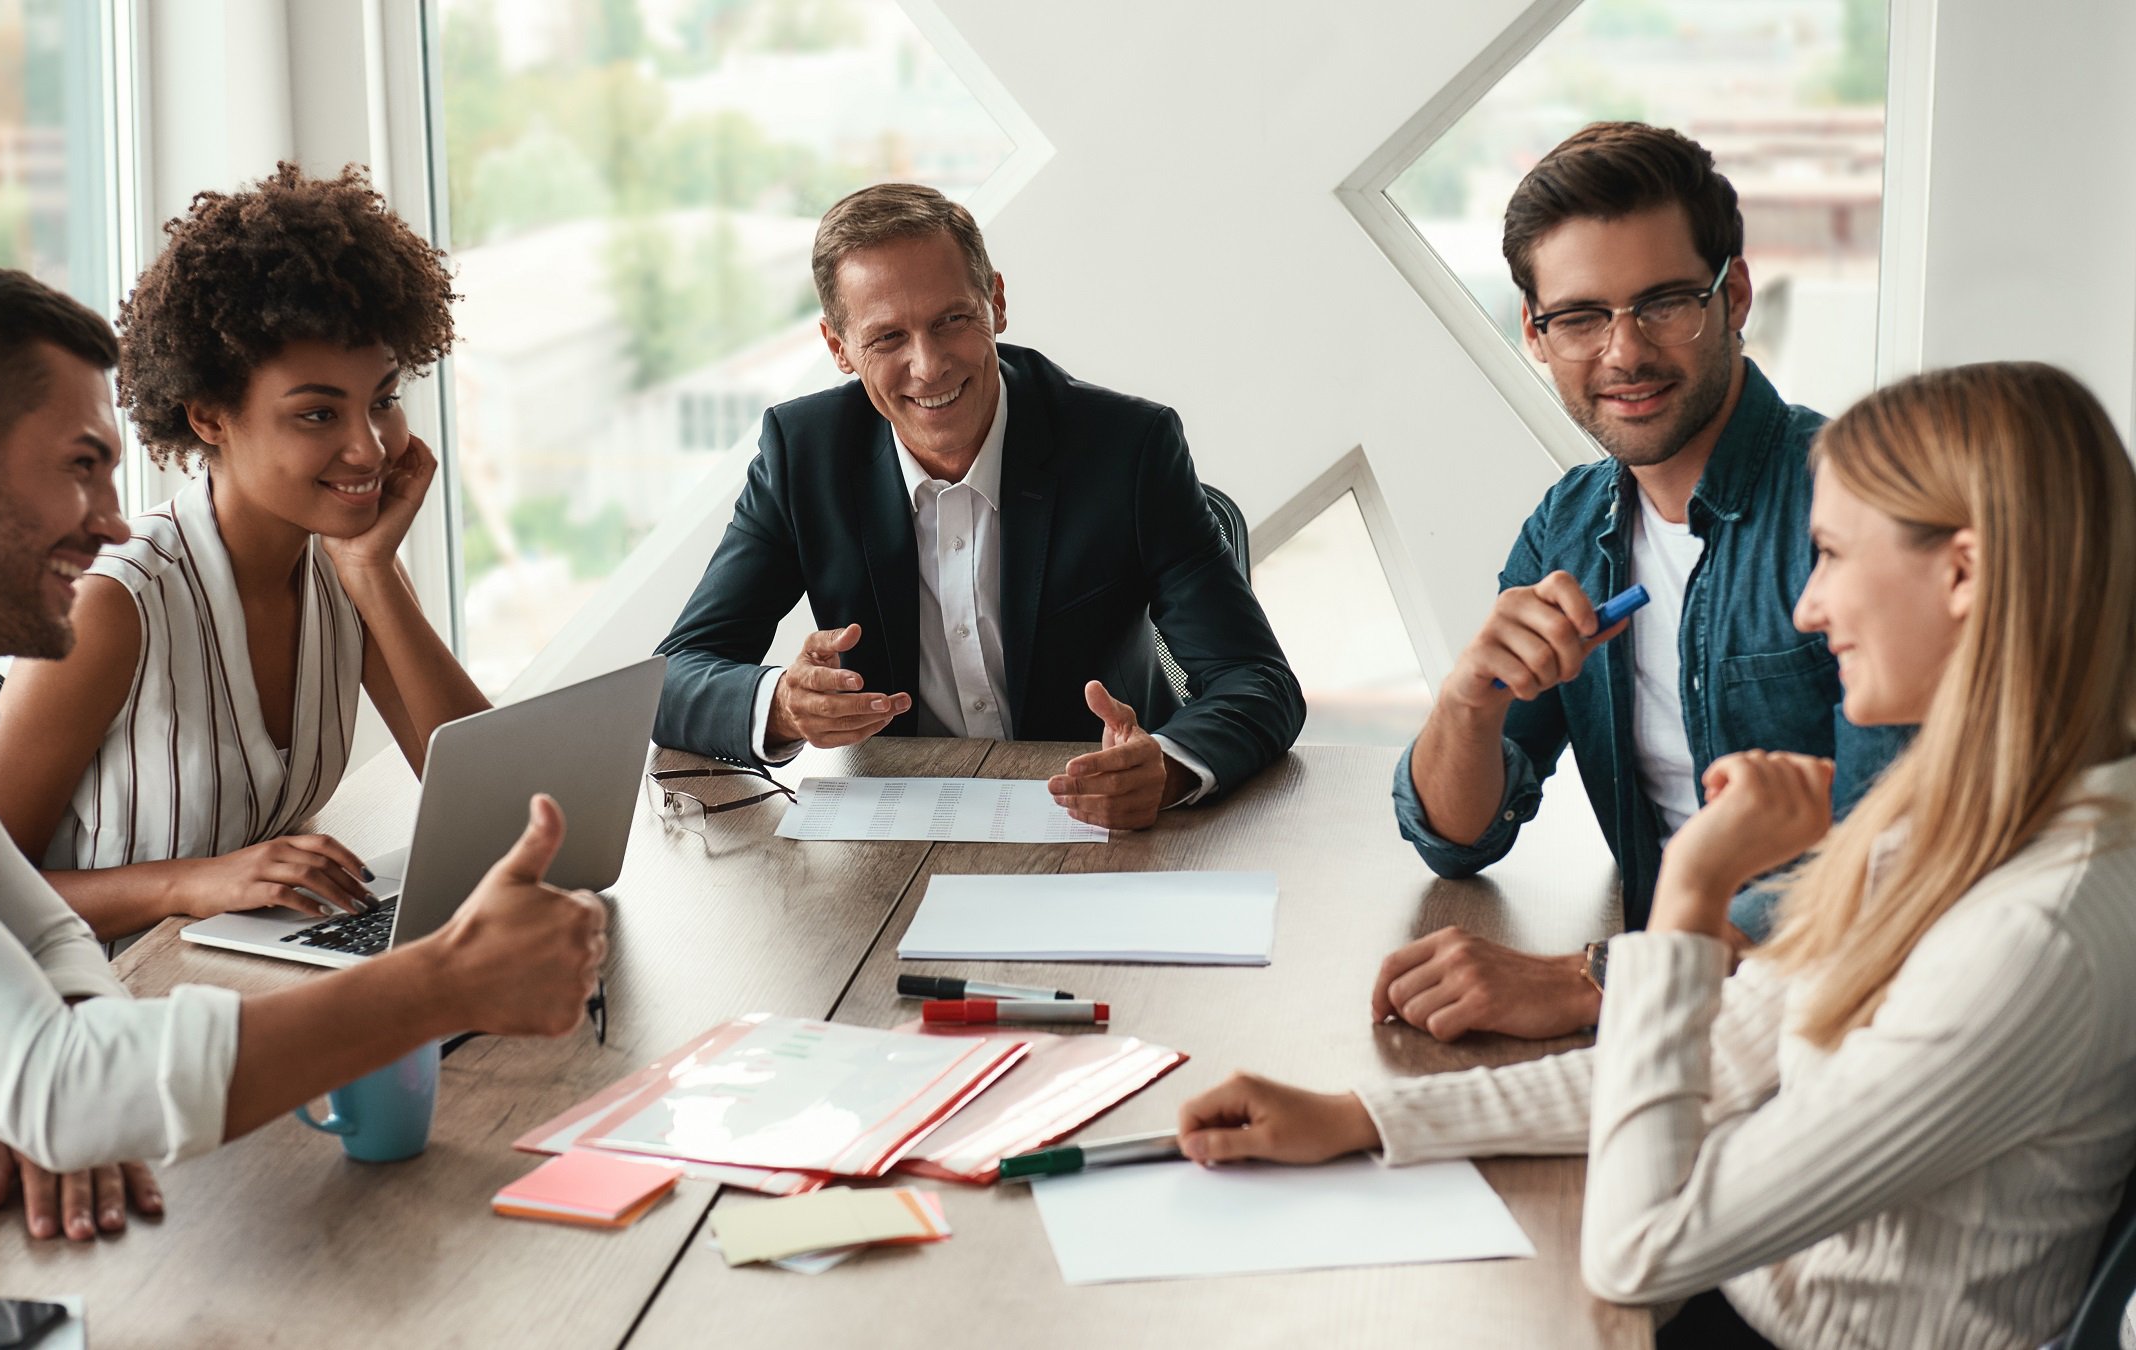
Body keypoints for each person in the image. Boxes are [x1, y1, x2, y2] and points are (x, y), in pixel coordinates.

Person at [1179, 362, 2136, 1348]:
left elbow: (1638, 1249)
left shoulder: (2033, 932)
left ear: (1965, 574)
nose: (1811, 609)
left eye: (1836, 556)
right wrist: (1363, 1118)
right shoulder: (1963, 822)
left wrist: (1692, 890)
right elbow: (1711, 1062)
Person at [0, 259, 606, 1244]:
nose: (110, 517)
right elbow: (62, 1080)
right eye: (78, 466)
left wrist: (75, 1079)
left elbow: (41, 940)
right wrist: (442, 982)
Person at [1377, 123, 1909, 1042]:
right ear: (1536, 335)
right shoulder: (1569, 526)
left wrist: (1599, 981)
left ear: (1733, 294)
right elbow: (1459, 838)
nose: (1623, 353)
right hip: (1670, 1020)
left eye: (1663, 304)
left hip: (1837, 1021)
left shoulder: (1858, 502)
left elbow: (1903, 849)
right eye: (1580, 318)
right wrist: (1468, 704)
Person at [652, 183, 1302, 830]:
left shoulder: (1127, 449)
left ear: (995, 300)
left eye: (951, 321)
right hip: (895, 829)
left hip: (1099, 820)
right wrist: (781, 705)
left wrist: (1167, 767)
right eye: (887, 339)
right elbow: (671, 677)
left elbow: (1256, 679)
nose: (929, 366)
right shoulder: (803, 456)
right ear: (839, 348)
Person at [0, 164, 489, 943]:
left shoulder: (351, 568)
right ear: (211, 417)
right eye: (319, 413)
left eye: (383, 400)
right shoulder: (114, 606)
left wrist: (372, 574)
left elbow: (504, 811)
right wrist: (192, 883)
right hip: (102, 1009)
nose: (368, 448)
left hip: (243, 979)